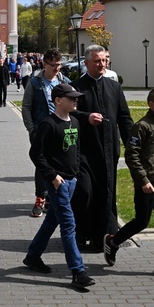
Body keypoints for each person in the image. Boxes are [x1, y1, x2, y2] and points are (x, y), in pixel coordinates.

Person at [103, 88, 154, 279]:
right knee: (141, 222)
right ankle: (113, 242)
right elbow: (132, 156)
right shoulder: (142, 126)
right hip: (146, 185)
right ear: (151, 104)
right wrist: (143, 180)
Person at [22, 83, 95, 290]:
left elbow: (76, 150)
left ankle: (33, 256)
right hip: (58, 183)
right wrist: (52, 176)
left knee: (52, 219)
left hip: (71, 180)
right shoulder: (49, 124)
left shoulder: (74, 121)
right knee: (68, 225)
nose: (75, 101)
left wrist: (77, 172)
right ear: (58, 101)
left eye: (76, 98)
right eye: (71, 98)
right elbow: (35, 153)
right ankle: (78, 271)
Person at [71, 44, 133, 252]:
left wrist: (132, 143)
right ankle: (80, 234)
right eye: (97, 60)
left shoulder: (114, 87)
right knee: (85, 192)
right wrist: (86, 117)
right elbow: (67, 114)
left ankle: (104, 237)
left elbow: (124, 118)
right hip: (84, 151)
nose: (102, 64)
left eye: (105, 60)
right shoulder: (76, 87)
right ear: (87, 63)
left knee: (107, 193)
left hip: (108, 149)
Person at [21, 48, 70, 217]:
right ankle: (40, 198)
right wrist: (31, 128)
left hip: (60, 128)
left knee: (58, 163)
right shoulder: (35, 82)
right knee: (42, 164)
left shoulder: (63, 81)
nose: (57, 68)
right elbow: (26, 107)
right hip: (40, 129)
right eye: (53, 65)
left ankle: (52, 198)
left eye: (59, 65)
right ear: (44, 64)